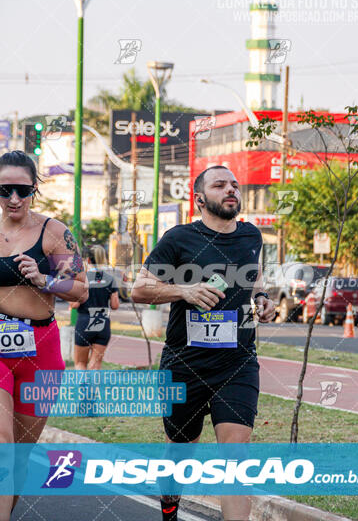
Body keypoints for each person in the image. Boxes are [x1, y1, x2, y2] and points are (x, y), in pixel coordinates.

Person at [132, 165, 275, 521]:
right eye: (220, 185)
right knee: (180, 451)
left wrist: (262, 297)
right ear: (199, 198)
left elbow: (252, 276)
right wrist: (184, 290)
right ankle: (169, 511)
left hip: (237, 363)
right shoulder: (178, 239)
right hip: (185, 364)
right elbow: (138, 289)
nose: (231, 190)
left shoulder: (251, 236)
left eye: (234, 185)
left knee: (236, 456)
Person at [0, 150, 88, 521]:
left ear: (35, 188)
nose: (14, 199)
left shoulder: (55, 232)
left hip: (42, 349)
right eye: (5, 190)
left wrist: (43, 278)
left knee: (19, 460)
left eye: (22, 189)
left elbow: (81, 289)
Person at [72, 245, 119, 370]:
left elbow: (75, 304)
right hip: (102, 320)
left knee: (80, 363)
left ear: (87, 260)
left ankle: (83, 389)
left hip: (85, 320)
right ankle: (93, 390)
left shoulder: (83, 279)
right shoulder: (110, 279)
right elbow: (115, 305)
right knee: (95, 364)